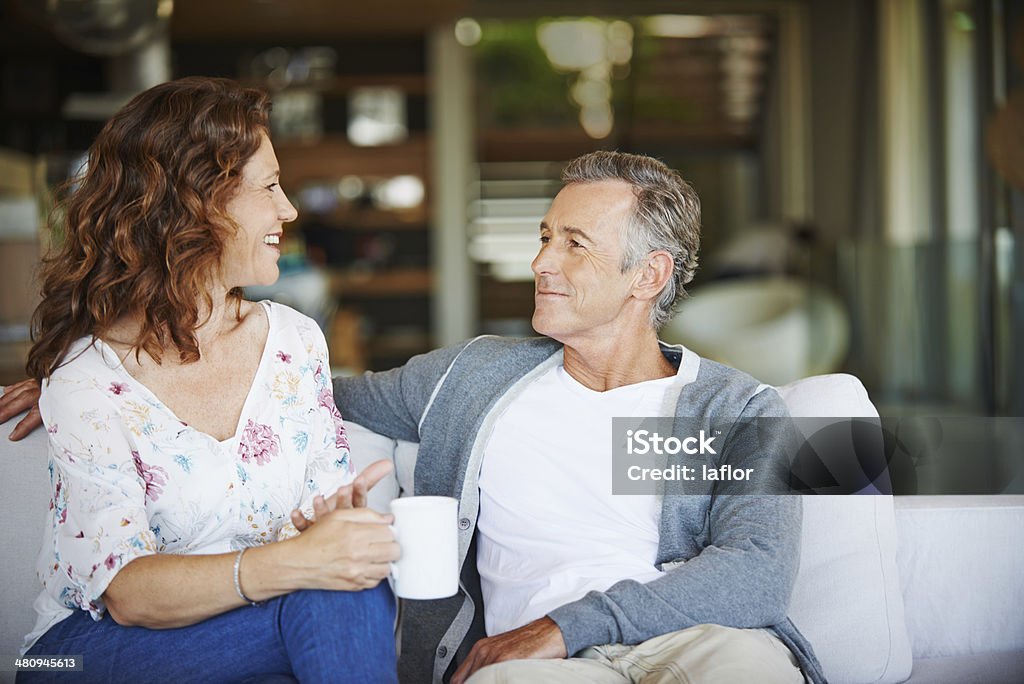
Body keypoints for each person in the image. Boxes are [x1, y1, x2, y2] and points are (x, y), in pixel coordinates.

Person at [3, 151, 824, 683]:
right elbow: (300, 386)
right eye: (544, 236)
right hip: (527, 668)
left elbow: (754, 571)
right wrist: (115, 373)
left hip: (690, 643)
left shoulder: (733, 408)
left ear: (648, 275)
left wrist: (565, 627)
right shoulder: (473, 377)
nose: (540, 261)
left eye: (573, 243)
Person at [5, 76, 399, 683]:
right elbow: (128, 595)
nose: (289, 209)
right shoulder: (86, 379)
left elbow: (319, 532)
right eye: (268, 186)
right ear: (197, 202)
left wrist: (334, 528)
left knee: (340, 593)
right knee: (328, 594)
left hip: (258, 627)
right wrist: (299, 562)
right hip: (82, 652)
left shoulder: (295, 342)